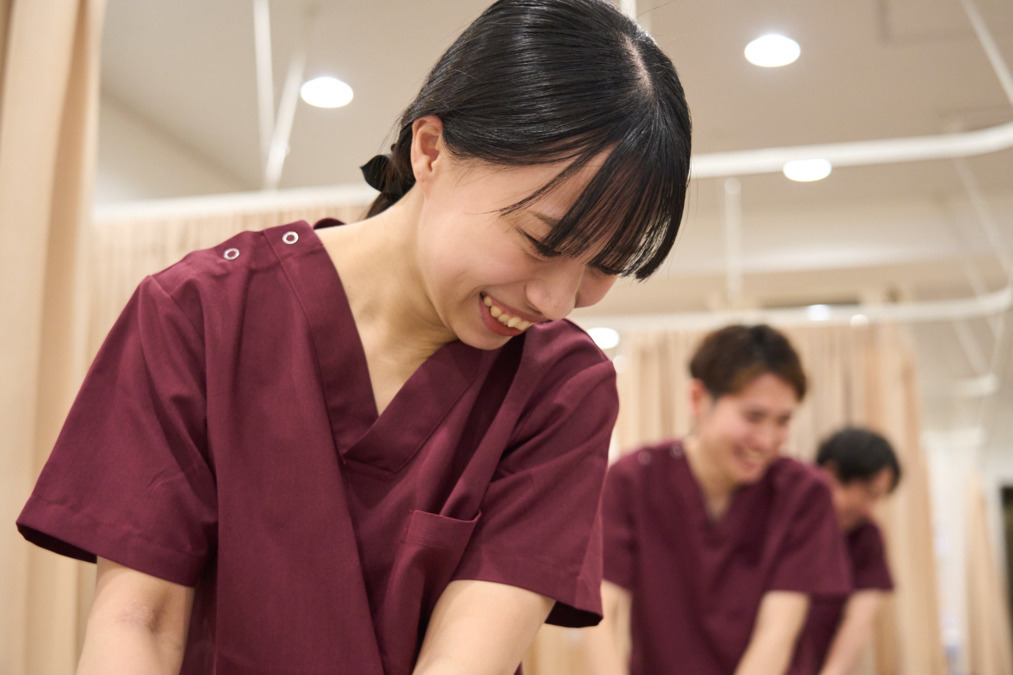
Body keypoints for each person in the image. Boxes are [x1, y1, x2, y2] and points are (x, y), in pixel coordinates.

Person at [16, 1, 692, 673]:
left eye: (605, 266)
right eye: (542, 242)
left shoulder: (562, 386)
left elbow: (468, 659)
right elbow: (137, 622)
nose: (557, 302)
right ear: (431, 150)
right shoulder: (199, 313)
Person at [593, 324, 850, 675]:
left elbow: (778, 632)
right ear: (698, 399)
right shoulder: (633, 480)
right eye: (753, 416)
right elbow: (601, 613)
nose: (767, 440)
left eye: (783, 420)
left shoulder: (804, 492)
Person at [788, 426, 902, 675]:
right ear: (831, 474)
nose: (869, 508)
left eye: (877, 499)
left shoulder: (865, 537)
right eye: (868, 494)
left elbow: (858, 623)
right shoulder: (783, 519)